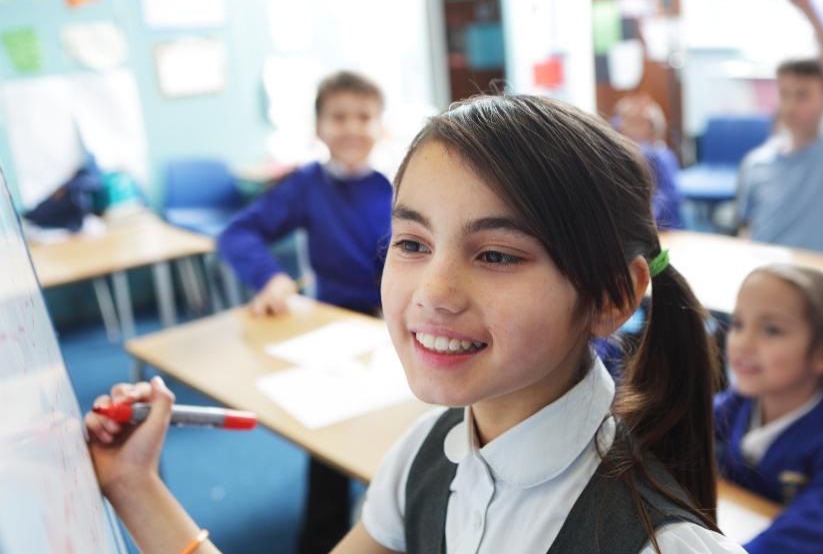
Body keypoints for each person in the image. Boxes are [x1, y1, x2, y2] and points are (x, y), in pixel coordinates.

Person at [86, 95, 746, 553]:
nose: (432, 293)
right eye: (411, 243)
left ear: (611, 297)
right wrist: (132, 485)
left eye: (495, 255)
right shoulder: (425, 455)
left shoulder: (664, 545)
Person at [217, 70, 392, 553]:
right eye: (338, 117)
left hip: (392, 325)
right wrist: (270, 277)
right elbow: (238, 234)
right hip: (330, 323)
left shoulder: (396, 186)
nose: (352, 127)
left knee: (399, 427)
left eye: (364, 116)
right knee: (330, 432)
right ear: (318, 127)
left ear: (382, 126)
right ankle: (319, 538)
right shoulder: (306, 186)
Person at [715, 264, 823, 553]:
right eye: (738, 324)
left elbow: (819, 521)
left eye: (771, 330)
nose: (743, 343)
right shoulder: (740, 401)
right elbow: (681, 428)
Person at [736, 0, 823, 254]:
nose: (790, 104)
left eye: (802, 95)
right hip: (764, 273)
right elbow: (747, 230)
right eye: (785, 93)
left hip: (813, 281)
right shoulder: (756, 163)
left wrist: (809, 12)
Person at [614, 93, 683, 229]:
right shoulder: (622, 156)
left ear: (652, 128)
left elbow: (669, 199)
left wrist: (645, 216)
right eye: (628, 122)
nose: (627, 128)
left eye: (638, 123)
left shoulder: (660, 157)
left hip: (661, 228)